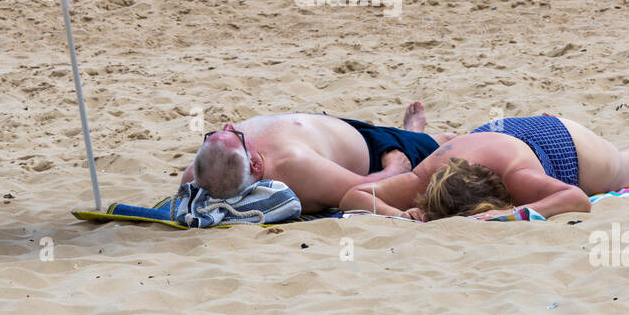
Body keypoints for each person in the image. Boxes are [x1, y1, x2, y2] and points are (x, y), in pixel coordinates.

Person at [334, 113, 629, 220]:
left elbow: (576, 198)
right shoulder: (427, 176)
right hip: (492, 134)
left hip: (560, 142)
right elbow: (353, 195)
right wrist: (394, 215)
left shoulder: (518, 178)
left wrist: (519, 214)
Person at [185, 103, 453, 207]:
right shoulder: (295, 166)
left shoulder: (202, 171)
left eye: (217, 135)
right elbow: (366, 190)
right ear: (256, 166)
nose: (230, 126)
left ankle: (408, 132)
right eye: (237, 136)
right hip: (373, 148)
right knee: (448, 143)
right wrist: (394, 168)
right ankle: (412, 133)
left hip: (331, 130)